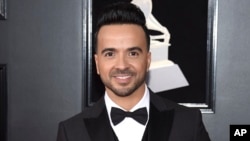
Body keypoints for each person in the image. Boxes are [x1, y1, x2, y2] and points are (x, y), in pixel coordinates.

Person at [57, 2, 211, 141]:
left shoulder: (188, 124)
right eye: (110, 54)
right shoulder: (71, 132)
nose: (122, 65)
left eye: (133, 53)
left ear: (148, 60)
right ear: (97, 63)